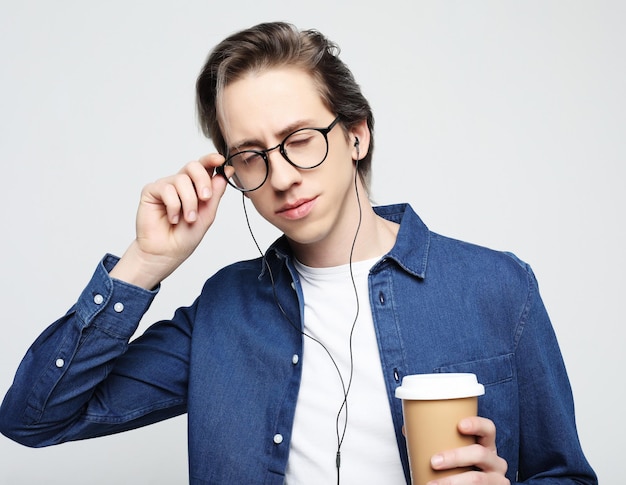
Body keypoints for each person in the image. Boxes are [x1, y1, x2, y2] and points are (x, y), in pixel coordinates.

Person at [0, 21, 596, 485]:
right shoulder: (225, 309)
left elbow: (565, 473)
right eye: (251, 156)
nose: (281, 175)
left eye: (299, 140)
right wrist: (144, 262)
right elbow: (33, 418)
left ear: (356, 134)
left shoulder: (496, 287)